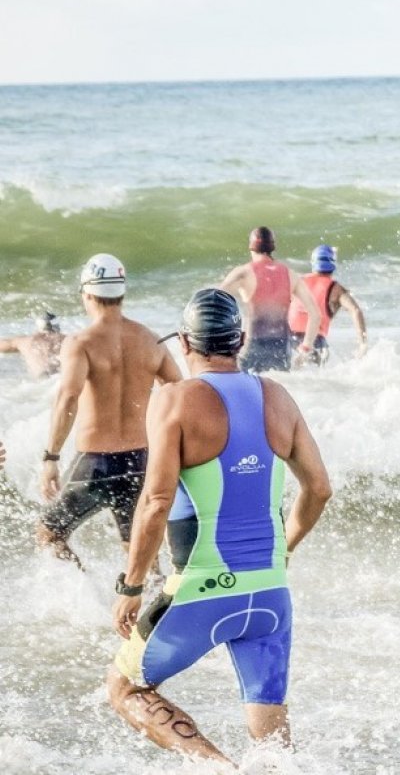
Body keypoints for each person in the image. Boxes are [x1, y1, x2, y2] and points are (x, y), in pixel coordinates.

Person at [107, 288, 332, 764]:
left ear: (184, 343)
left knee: (124, 688)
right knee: (272, 746)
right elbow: (319, 488)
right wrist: (285, 548)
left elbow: (156, 501)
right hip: (270, 594)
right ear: (241, 340)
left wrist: (132, 585)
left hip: (201, 589)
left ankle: (220, 770)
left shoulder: (173, 400)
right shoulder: (278, 397)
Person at [37, 255, 181, 566]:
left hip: (95, 466)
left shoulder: (81, 343)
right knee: (138, 549)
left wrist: (51, 457)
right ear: (122, 292)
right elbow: (178, 393)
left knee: (48, 533)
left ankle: (84, 589)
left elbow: (68, 398)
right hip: (140, 460)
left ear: (87, 294)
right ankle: (150, 596)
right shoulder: (150, 339)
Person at [220, 227, 320, 372]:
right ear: (272, 247)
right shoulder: (290, 274)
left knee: (245, 384)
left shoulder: (244, 272)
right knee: (276, 386)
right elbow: (315, 315)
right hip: (281, 347)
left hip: (252, 344)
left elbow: (214, 299)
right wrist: (306, 347)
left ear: (251, 247)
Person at [286, 245, 368, 364]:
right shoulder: (336, 289)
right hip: (316, 342)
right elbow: (355, 310)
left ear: (313, 262)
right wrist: (362, 343)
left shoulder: (298, 281)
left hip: (289, 340)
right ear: (333, 264)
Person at [0, 311, 65, 377]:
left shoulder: (24, 341)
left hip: (41, 378)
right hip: (60, 378)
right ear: (57, 326)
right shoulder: (66, 340)